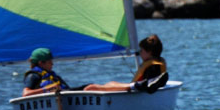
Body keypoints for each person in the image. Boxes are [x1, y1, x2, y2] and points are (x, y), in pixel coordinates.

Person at [21, 37, 169, 97]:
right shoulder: (34, 75)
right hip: (59, 97)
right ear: (41, 63)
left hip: (64, 94)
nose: (52, 63)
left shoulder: (47, 72)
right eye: (49, 61)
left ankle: (138, 86)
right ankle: (138, 86)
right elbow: (26, 94)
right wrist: (48, 89)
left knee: (110, 83)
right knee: (90, 88)